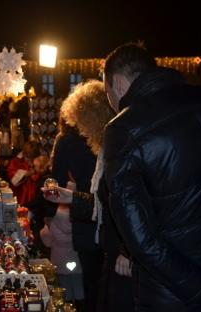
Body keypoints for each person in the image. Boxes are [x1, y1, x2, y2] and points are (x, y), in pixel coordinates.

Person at [100, 42, 201, 311]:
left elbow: (140, 236)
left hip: (172, 294)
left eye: (107, 91)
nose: (109, 100)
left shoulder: (124, 128)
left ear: (118, 83)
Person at [44, 80, 134, 311]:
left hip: (96, 228)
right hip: (102, 226)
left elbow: (118, 199)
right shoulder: (114, 138)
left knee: (91, 287)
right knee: (96, 286)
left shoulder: (106, 143)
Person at [40, 199, 84, 305]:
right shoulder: (76, 223)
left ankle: (66, 303)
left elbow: (48, 243)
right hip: (75, 259)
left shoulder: (51, 223)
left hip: (58, 260)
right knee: (78, 283)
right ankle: (80, 303)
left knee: (64, 285)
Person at [25, 155, 57, 257]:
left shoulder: (45, 180)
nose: (34, 169)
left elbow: (39, 199)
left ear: (41, 166)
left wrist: (25, 205)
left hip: (44, 215)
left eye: (35, 166)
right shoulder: (49, 178)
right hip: (48, 213)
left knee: (43, 241)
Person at [6, 141, 41, 206]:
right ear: (24, 154)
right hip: (20, 195)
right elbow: (13, 179)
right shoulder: (16, 161)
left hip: (35, 197)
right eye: (28, 158)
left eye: (32, 158)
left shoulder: (38, 161)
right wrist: (26, 173)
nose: (29, 160)